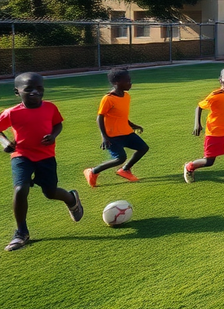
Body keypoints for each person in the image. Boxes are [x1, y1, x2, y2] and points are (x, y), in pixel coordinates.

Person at [0, 72, 84, 251]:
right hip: (22, 155)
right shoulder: (12, 113)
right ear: (17, 92)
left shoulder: (50, 108)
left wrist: (53, 136)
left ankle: (71, 199)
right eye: (28, 89)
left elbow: (58, 124)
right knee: (20, 189)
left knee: (50, 192)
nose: (35, 92)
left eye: (39, 88)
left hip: (46, 156)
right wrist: (5, 141)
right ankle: (21, 233)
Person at [83, 68, 148, 187]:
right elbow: (100, 117)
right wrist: (104, 136)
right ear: (117, 82)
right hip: (112, 136)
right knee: (120, 158)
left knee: (143, 148)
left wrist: (133, 125)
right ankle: (92, 172)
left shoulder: (126, 96)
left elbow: (121, 116)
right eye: (127, 81)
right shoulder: (108, 98)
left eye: (130, 80)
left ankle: (125, 170)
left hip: (126, 132)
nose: (130, 83)